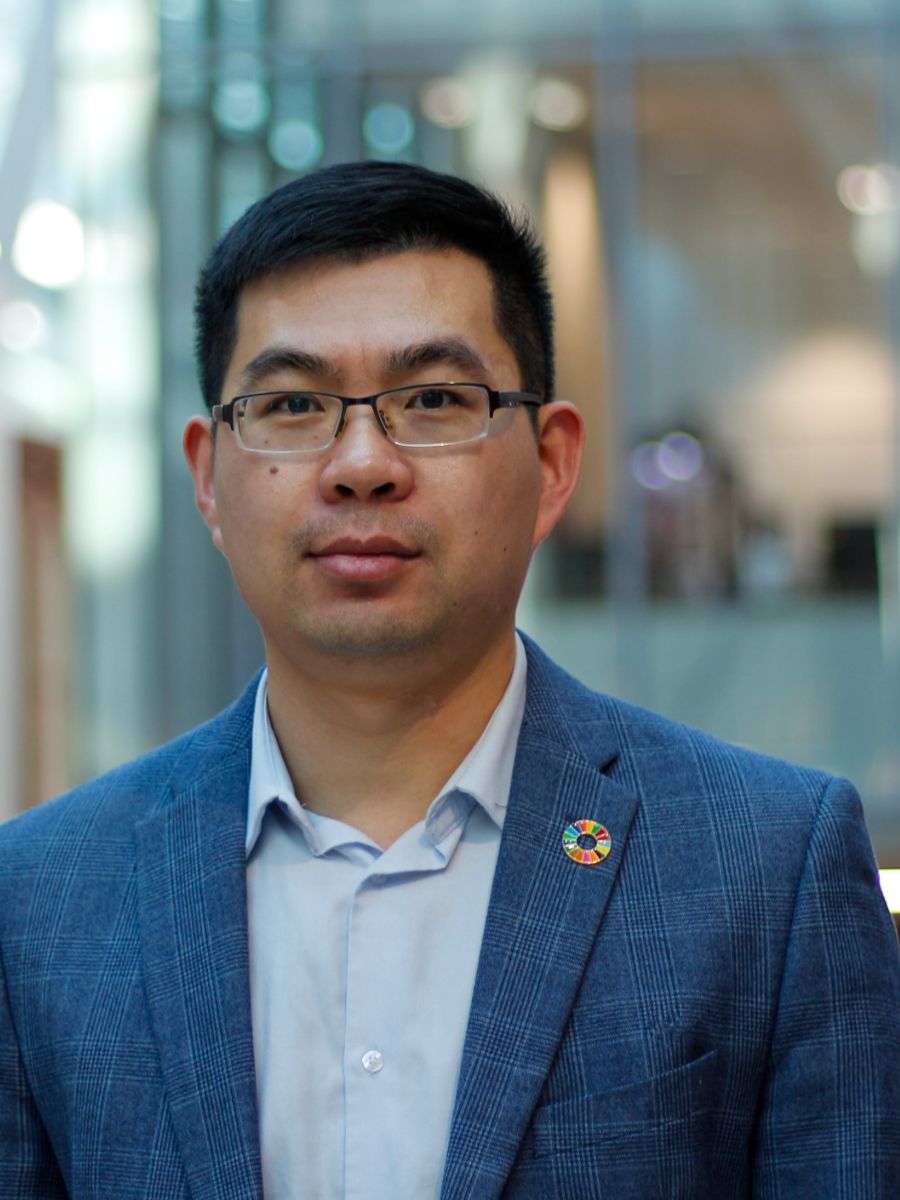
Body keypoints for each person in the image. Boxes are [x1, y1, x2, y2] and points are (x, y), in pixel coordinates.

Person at [1, 161, 898, 1200]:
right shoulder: (39, 900)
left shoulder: (768, 870)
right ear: (208, 475)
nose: (362, 464)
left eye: (432, 399)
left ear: (552, 463)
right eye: (292, 404)